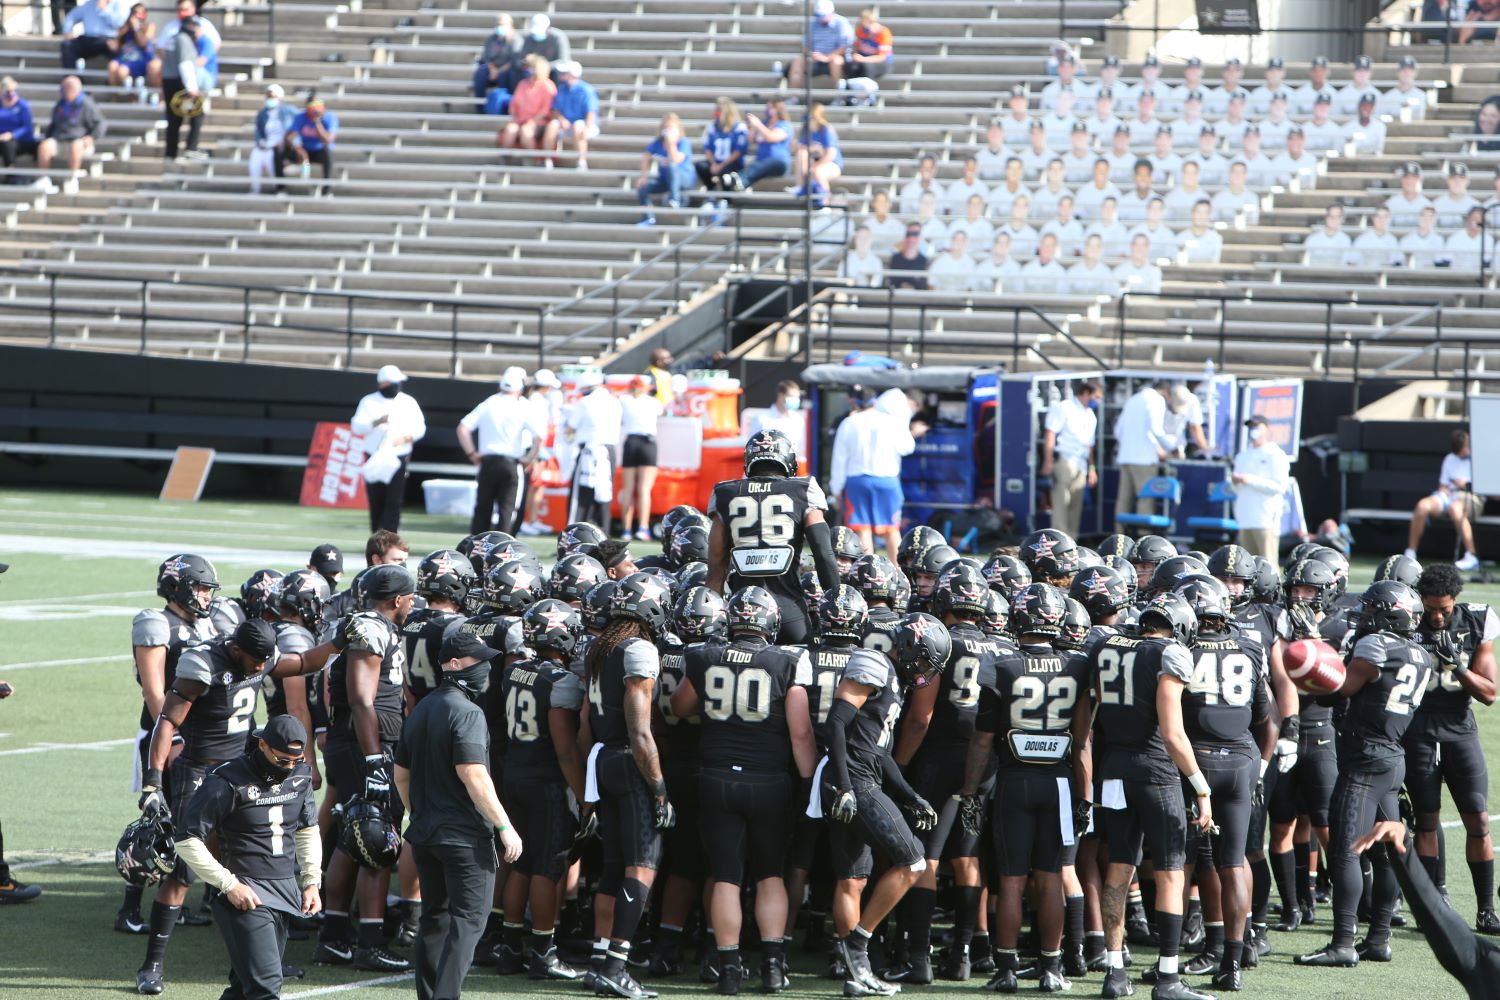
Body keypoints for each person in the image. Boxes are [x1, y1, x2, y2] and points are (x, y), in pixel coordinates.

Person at [133, 618, 336, 994]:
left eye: (265, 660)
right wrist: (153, 781)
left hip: (249, 769)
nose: (262, 667)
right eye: (256, 660)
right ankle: (153, 964)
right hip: (203, 773)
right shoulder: (203, 664)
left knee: (253, 857)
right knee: (183, 870)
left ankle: (259, 960)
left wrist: (338, 643)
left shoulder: (261, 656)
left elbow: (305, 662)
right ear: (237, 650)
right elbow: (167, 722)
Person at [670, 586, 817, 993]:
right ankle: (772, 966)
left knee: (725, 876)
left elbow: (679, 708)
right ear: (770, 622)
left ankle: (729, 969)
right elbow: (801, 734)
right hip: (768, 779)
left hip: (716, 777)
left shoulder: (703, 655)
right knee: (770, 873)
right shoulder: (789, 659)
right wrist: (809, 785)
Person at [1296, 581, 1437, 968]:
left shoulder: (1376, 645)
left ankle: (1342, 942)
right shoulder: (1421, 654)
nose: (1366, 615)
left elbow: (1341, 689)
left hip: (1364, 758)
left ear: (1391, 612)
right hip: (1392, 756)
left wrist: (1312, 658)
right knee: (1386, 852)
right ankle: (1378, 940)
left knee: (1346, 850)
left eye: (1373, 609)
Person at [1087, 592, 1215, 1000]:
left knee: (1120, 867)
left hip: (1113, 768)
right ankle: (1167, 977)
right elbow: (1173, 732)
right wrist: (1201, 786)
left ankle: (1114, 971)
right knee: (1170, 871)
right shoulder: (1170, 653)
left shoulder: (1107, 644)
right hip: (1156, 769)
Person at [394, 633, 523, 1000]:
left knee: (435, 919)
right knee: (468, 923)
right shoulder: (467, 712)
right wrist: (504, 826)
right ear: (453, 664)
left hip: (426, 835)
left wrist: (418, 812)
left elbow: (400, 773)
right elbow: (473, 774)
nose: (485, 668)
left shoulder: (420, 709)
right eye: (476, 661)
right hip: (465, 838)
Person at [311, 564, 419, 973]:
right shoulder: (371, 629)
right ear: (396, 600)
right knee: (377, 839)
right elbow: (361, 698)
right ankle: (369, 944)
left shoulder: (370, 625)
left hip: (356, 743)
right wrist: (375, 759)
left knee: (349, 839)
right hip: (365, 746)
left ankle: (334, 937)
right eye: (409, 598)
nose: (412, 604)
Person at [174, 715, 322, 1000]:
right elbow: (186, 839)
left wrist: (312, 880)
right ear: (262, 745)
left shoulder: (301, 775)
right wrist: (229, 884)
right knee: (265, 987)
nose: (289, 768)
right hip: (246, 893)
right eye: (282, 761)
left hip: (285, 890)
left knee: (244, 990)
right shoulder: (227, 780)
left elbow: (306, 829)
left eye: (295, 761)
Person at [580, 573, 673, 1000]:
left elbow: (585, 723)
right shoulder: (638, 650)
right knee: (642, 865)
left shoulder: (599, 647)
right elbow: (641, 732)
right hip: (627, 761)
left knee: (613, 868)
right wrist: (658, 787)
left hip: (602, 761)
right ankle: (616, 967)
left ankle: (600, 962)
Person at [1406, 563, 1500, 932]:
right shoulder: (1408, 620)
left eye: (1443, 609)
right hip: (1417, 731)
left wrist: (1458, 666)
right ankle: (1432, 910)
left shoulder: (1476, 620)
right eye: (1430, 608)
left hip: (1460, 729)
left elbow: (1490, 692)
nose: (1436, 616)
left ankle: (1486, 909)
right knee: (1426, 820)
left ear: (1455, 601)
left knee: (1477, 818)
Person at [706, 429, 841, 644]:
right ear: (788, 459)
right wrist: (837, 601)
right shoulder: (804, 489)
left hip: (743, 609)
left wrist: (712, 622)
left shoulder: (725, 493)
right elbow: (823, 554)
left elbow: (715, 568)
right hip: (789, 609)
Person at [829, 386, 922, 562]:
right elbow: (907, 447)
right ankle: (901, 574)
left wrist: (836, 489)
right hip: (887, 480)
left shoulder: (849, 423)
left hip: (857, 480)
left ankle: (868, 572)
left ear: (855, 403)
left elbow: (839, 460)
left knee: (862, 529)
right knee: (891, 529)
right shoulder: (891, 421)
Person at [458, 369, 545, 536]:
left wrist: (472, 453)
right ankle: (504, 549)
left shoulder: (488, 403)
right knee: (508, 510)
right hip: (511, 463)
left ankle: (475, 548)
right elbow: (539, 437)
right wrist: (529, 458)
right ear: (520, 388)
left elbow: (463, 428)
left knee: (482, 508)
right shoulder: (522, 406)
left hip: (487, 462)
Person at [351, 365, 425, 533]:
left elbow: (420, 428)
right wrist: (377, 421)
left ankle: (391, 537)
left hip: (398, 455)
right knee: (376, 498)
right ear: (382, 383)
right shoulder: (369, 401)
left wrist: (405, 438)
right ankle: (376, 536)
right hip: (374, 454)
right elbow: (357, 427)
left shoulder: (407, 401)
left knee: (394, 500)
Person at [1406, 428, 1480, 569]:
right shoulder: (1449, 459)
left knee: (1455, 508)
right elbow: (1443, 484)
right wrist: (1444, 491)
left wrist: (1464, 485)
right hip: (1447, 496)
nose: (1463, 453)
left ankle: (1472, 556)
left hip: (1470, 496)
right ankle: (1411, 553)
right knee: (1422, 506)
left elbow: (1483, 486)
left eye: (1464, 449)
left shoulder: (1478, 459)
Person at [563, 369, 622, 535]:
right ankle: (604, 537)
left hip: (589, 451)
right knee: (604, 497)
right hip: (609, 451)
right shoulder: (615, 401)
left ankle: (573, 537)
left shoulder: (585, 402)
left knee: (580, 498)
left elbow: (570, 428)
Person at [1228, 414, 1291, 562]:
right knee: (1247, 564)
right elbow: (1237, 488)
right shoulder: (1242, 456)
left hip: (1266, 518)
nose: (1253, 430)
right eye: (1250, 427)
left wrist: (1249, 479)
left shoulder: (1276, 455)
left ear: (1268, 429)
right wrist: (1236, 482)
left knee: (1267, 562)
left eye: (1257, 426)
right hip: (1245, 518)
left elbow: (1279, 486)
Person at [1112, 379, 1173, 531]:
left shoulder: (1133, 399)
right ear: (1165, 392)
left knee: (1123, 500)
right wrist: (1170, 447)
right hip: (1144, 459)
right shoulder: (1157, 400)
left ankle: (1119, 537)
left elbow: (1118, 430)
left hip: (1125, 457)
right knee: (1145, 499)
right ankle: (1144, 539)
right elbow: (1155, 429)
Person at [1042, 380, 1100, 538]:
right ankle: (1057, 541)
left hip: (1080, 464)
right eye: (1096, 397)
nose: (1097, 401)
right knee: (1061, 504)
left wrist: (1092, 468)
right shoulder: (1065, 407)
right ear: (1086, 393)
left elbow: (1089, 445)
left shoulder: (1091, 416)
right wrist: (1047, 461)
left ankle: (1071, 542)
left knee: (1075, 507)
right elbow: (1050, 433)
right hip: (1064, 460)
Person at [619, 376, 663, 543]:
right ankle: (643, 528)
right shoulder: (653, 402)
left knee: (628, 488)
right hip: (648, 443)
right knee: (644, 489)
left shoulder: (624, 400)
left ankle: (626, 530)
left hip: (631, 442)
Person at [36, 75, 104, 181]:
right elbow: (54, 124)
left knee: (75, 146)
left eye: (65, 88)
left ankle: (72, 178)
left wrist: (91, 137)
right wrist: (47, 137)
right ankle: (43, 179)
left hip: (79, 142)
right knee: (44, 146)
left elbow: (100, 123)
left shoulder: (86, 103)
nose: (62, 90)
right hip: (60, 140)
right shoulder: (61, 103)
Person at [157, 15, 205, 163]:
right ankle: (191, 148)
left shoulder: (172, 38)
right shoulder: (183, 39)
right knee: (197, 115)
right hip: (181, 85)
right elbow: (185, 64)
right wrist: (191, 87)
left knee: (174, 119)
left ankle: (170, 153)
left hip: (169, 81)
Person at [635, 112, 692, 226]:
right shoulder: (658, 143)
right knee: (643, 188)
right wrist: (643, 176)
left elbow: (675, 160)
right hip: (665, 180)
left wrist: (671, 144)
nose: (668, 130)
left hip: (685, 179)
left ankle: (675, 201)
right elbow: (646, 157)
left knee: (672, 167)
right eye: (666, 127)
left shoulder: (683, 142)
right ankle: (649, 218)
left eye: (671, 128)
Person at [723, 97, 790, 192]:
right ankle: (742, 184)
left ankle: (740, 179)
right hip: (761, 162)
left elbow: (771, 137)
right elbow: (752, 140)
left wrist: (758, 124)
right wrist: (751, 127)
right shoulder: (765, 123)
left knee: (763, 164)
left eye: (770, 108)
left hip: (778, 163)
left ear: (777, 110)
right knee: (758, 165)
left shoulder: (784, 125)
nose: (767, 110)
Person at [497, 53, 555, 158]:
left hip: (539, 123)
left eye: (530, 68)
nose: (527, 70)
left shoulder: (547, 86)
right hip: (520, 120)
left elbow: (546, 109)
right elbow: (514, 104)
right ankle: (506, 159)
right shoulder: (523, 84)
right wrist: (514, 116)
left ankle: (533, 159)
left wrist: (532, 121)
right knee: (510, 130)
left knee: (526, 131)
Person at [788, 0, 853, 90]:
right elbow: (806, 46)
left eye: (823, 15)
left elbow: (843, 47)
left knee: (836, 61)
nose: (820, 18)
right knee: (798, 61)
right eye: (818, 15)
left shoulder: (841, 23)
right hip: (816, 58)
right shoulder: (812, 24)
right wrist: (812, 54)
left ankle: (839, 96)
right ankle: (793, 96)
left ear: (831, 13)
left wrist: (827, 58)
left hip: (835, 57)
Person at [284, 96, 338, 195]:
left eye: (318, 105)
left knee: (327, 154)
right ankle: (280, 188)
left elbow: (327, 140)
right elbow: (290, 135)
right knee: (281, 151)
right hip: (305, 151)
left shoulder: (329, 118)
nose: (315, 108)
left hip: (320, 151)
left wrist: (317, 122)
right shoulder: (301, 117)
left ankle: (327, 189)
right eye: (312, 105)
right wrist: (297, 147)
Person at [695, 96, 748, 192]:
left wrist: (722, 165)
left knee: (727, 174)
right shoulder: (712, 126)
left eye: (719, 111)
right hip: (716, 163)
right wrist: (714, 163)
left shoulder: (739, 127)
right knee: (701, 166)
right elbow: (707, 149)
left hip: (732, 164)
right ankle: (712, 192)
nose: (716, 114)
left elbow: (739, 151)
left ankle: (726, 200)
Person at [792, 102, 842, 204]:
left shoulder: (826, 130)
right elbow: (798, 148)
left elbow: (830, 155)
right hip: (813, 164)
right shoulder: (806, 130)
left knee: (818, 171)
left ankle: (825, 201)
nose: (810, 121)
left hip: (831, 165)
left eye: (813, 117)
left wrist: (815, 166)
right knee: (802, 153)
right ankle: (801, 187)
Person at [249, 84, 294, 195]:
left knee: (272, 159)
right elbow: (259, 131)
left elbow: (296, 126)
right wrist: (260, 142)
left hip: (281, 145)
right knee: (255, 159)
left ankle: (279, 188)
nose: (270, 99)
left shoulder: (288, 111)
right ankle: (255, 189)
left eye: (272, 96)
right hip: (266, 144)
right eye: (268, 96)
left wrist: (288, 140)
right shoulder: (262, 113)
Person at [472, 14, 520, 108]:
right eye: (498, 24)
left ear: (510, 24)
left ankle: (504, 106)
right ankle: (479, 106)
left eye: (502, 24)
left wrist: (499, 71)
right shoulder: (491, 39)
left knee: (505, 76)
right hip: (493, 69)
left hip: (507, 69)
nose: (500, 26)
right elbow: (487, 57)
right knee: (480, 74)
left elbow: (514, 60)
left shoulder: (516, 39)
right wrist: (492, 69)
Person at [61, 0, 127, 68]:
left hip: (109, 39)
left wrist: (104, 10)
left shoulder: (119, 4)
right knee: (67, 44)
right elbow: (71, 16)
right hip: (88, 39)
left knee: (117, 49)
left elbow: (119, 24)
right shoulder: (89, 4)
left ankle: (114, 77)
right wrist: (67, 31)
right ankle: (71, 76)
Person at [107, 3, 155, 88]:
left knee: (122, 71)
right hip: (126, 58)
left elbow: (143, 43)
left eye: (141, 13)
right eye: (135, 12)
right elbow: (118, 41)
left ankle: (131, 97)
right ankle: (115, 98)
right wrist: (127, 27)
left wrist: (136, 28)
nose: (138, 15)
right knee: (112, 65)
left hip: (141, 60)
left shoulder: (149, 26)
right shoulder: (126, 27)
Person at [0, 79, 38, 184]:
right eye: (8, 91)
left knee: (8, 143)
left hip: (21, 141)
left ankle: (11, 176)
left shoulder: (23, 106)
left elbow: (27, 128)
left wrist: (11, 135)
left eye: (14, 91)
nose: (11, 94)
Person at [847, 7, 893, 80]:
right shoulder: (861, 30)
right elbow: (857, 48)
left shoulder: (883, 33)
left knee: (866, 67)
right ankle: (851, 88)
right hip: (863, 58)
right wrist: (855, 55)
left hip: (882, 63)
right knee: (850, 66)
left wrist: (863, 59)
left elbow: (881, 57)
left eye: (870, 23)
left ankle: (868, 90)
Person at [885, 223, 929, 290]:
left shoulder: (923, 260)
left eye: (915, 235)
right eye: (909, 234)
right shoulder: (895, 258)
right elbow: (891, 282)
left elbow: (923, 286)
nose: (911, 239)